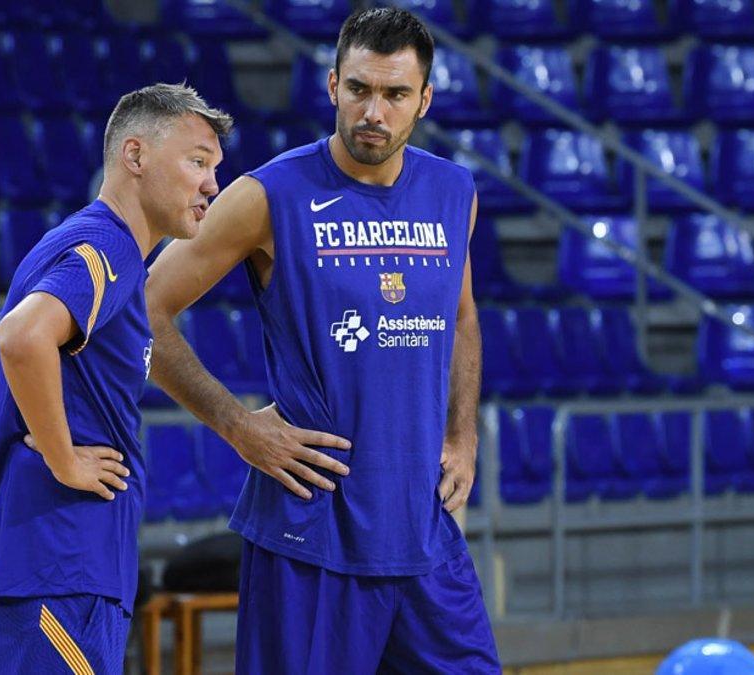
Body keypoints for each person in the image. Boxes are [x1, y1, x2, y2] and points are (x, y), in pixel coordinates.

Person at [145, 8, 500, 673]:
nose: (374, 110)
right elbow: (145, 309)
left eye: (395, 94)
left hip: (423, 530)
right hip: (311, 535)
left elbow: (462, 318)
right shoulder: (268, 195)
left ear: (424, 100)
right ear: (333, 84)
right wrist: (237, 425)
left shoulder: (454, 192)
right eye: (360, 88)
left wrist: (463, 434)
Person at [0, 83, 231, 674]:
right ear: (135, 156)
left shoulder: (100, 250)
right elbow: (21, 335)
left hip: (48, 573)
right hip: (56, 569)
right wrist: (65, 460)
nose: (212, 184)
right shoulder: (105, 244)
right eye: (197, 162)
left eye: (215, 168)